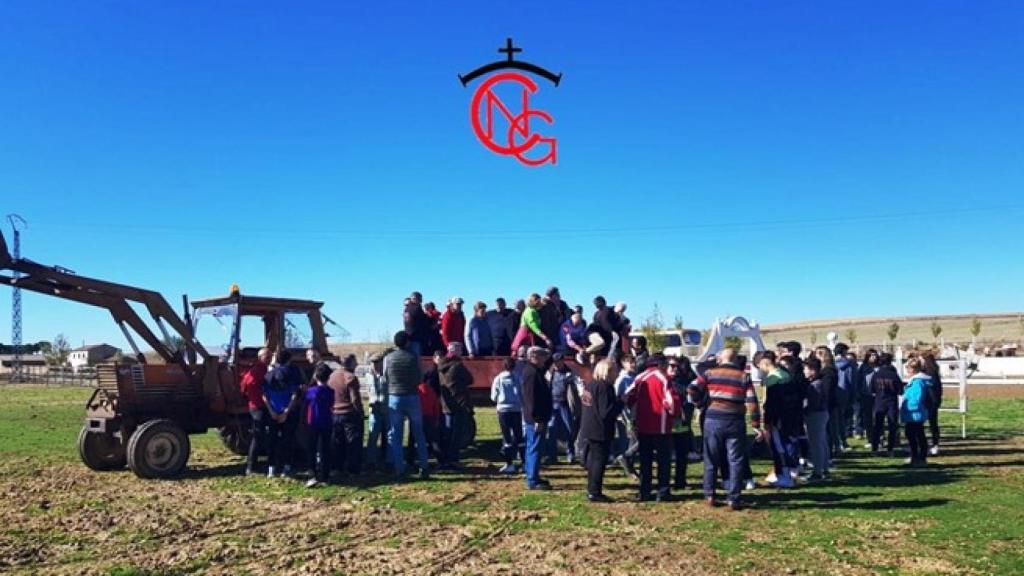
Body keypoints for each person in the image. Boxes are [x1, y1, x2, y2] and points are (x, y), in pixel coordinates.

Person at [690, 348, 763, 509]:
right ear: (735, 359)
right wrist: (756, 424)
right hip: (735, 420)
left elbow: (692, 388)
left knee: (711, 458)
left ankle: (709, 494)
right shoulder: (744, 376)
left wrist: (699, 403)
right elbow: (752, 402)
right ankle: (734, 498)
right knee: (736, 460)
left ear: (720, 359)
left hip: (713, 418)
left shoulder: (709, 373)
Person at [625, 354, 681, 502]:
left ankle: (645, 491)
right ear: (660, 364)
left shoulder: (640, 378)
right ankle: (663, 492)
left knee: (645, 460)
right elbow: (672, 401)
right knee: (663, 460)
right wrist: (675, 415)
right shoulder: (663, 378)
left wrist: (636, 412)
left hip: (643, 425)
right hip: (661, 425)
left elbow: (628, 396)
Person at [385, 331, 429, 479]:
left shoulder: (389, 358)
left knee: (396, 435)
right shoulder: (413, 357)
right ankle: (424, 467)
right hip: (411, 396)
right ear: (407, 342)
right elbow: (419, 378)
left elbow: (385, 377)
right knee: (419, 434)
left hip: (394, 397)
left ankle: (400, 468)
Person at [579, 359, 623, 503]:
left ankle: (592, 489)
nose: (617, 373)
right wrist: (621, 402)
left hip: (589, 426)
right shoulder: (605, 387)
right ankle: (595, 492)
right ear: (608, 371)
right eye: (615, 370)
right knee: (599, 460)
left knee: (593, 460)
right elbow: (606, 412)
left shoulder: (591, 385)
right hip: (600, 429)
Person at [757, 351, 796, 488]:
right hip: (787, 416)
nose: (760, 370)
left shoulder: (772, 379)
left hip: (776, 418)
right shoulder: (785, 375)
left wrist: (767, 420)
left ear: (765, 364)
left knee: (778, 447)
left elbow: (770, 402)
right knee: (784, 443)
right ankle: (787, 472)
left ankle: (784, 475)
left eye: (760, 366)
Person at [263, 350, 303, 478]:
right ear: (289, 359)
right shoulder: (291, 373)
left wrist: (271, 411)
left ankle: (271, 468)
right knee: (288, 440)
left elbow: (264, 395)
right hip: (288, 412)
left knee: (272, 440)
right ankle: (286, 467)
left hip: (273, 412)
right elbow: (294, 394)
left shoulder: (268, 375)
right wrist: (286, 411)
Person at [521, 346, 553, 490]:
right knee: (534, 447)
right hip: (535, 418)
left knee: (532, 446)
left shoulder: (535, 371)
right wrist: (538, 419)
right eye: (542, 356)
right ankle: (532, 479)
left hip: (535, 417)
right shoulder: (531, 374)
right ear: (534, 356)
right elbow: (531, 399)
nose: (545, 359)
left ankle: (533, 475)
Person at [438, 342, 474, 470]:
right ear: (456, 352)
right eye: (460, 350)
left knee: (447, 432)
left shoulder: (440, 365)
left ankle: (445, 459)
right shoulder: (458, 365)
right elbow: (470, 379)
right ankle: (454, 459)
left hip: (446, 403)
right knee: (457, 433)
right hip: (459, 403)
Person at [328, 354, 364, 477]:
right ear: (351, 364)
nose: (357, 364)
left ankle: (336, 467)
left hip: (334, 413)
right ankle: (353, 470)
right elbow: (355, 399)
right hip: (349, 414)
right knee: (352, 443)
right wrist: (360, 412)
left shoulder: (332, 376)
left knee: (336, 442)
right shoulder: (350, 378)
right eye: (355, 362)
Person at [546, 352, 581, 464]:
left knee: (569, 430)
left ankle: (570, 453)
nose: (556, 364)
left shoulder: (569, 373)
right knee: (552, 430)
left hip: (564, 404)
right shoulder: (550, 372)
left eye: (558, 361)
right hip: (552, 404)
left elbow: (578, 383)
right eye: (555, 362)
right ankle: (552, 455)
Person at [241, 347, 271, 476]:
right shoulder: (262, 371)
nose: (269, 359)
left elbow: (243, 388)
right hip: (260, 407)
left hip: (253, 406)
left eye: (270, 356)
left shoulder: (251, 371)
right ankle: (251, 467)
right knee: (258, 436)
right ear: (260, 358)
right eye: (267, 357)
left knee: (259, 436)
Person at [491, 357, 524, 474]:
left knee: (506, 438)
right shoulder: (518, 377)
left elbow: (493, 396)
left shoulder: (498, 379)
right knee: (519, 436)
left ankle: (509, 464)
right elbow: (522, 392)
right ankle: (524, 463)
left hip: (503, 410)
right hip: (516, 409)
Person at [667, 357, 696, 491]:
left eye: (676, 366)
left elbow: (691, 399)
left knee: (681, 454)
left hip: (682, 423)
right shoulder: (664, 382)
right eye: (671, 366)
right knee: (665, 455)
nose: (674, 369)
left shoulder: (684, 381)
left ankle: (680, 481)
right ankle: (664, 481)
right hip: (666, 423)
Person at [304, 363, 335, 488]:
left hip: (313, 423)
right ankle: (325, 476)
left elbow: (305, 404)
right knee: (325, 450)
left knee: (312, 449)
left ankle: (312, 475)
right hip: (327, 422)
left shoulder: (311, 392)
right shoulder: (331, 392)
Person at [802, 356, 830, 482]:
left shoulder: (816, 384)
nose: (804, 371)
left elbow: (814, 403)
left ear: (813, 370)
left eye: (806, 369)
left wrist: (804, 410)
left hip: (815, 415)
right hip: (821, 414)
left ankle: (817, 471)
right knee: (822, 442)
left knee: (816, 444)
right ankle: (824, 467)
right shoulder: (818, 383)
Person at [901, 358, 932, 467]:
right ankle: (916, 457)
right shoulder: (915, 381)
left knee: (916, 436)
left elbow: (917, 399)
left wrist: (906, 406)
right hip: (913, 413)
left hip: (915, 413)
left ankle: (919, 458)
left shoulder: (918, 382)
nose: (907, 371)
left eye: (909, 369)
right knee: (915, 435)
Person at [870, 353, 903, 456]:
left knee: (877, 426)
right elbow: (900, 390)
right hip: (891, 402)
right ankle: (890, 449)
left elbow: (872, 389)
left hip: (879, 401)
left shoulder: (876, 374)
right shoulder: (893, 374)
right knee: (892, 426)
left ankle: (875, 448)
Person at [613, 355, 640, 479]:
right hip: (627, 414)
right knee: (637, 440)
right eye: (630, 363)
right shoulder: (622, 379)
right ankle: (625, 458)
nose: (633, 365)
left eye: (634, 362)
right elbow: (617, 397)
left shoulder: (635, 377)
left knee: (634, 441)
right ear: (623, 364)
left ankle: (629, 465)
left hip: (636, 412)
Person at [816, 346, 844, 461]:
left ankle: (829, 454)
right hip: (831, 402)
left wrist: (823, 402)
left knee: (828, 430)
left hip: (828, 403)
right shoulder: (829, 370)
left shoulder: (828, 372)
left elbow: (827, 389)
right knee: (830, 429)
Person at [365, 351, 390, 470]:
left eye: (377, 363)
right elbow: (368, 391)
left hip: (386, 409)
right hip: (374, 410)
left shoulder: (387, 376)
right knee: (372, 436)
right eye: (373, 363)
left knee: (389, 436)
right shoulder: (368, 376)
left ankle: (389, 461)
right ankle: (371, 461)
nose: (375, 365)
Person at [833, 343, 857, 442]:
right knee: (843, 418)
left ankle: (836, 440)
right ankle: (843, 439)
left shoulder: (831, 364)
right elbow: (851, 380)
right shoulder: (849, 365)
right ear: (843, 351)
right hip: (845, 392)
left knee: (834, 419)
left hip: (834, 392)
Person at [921, 352, 943, 455]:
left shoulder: (929, 374)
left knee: (925, 424)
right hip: (933, 401)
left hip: (928, 401)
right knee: (933, 423)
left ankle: (932, 445)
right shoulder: (934, 373)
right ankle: (934, 444)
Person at [856, 349, 880, 439]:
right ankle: (869, 434)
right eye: (871, 355)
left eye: (875, 355)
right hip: (865, 394)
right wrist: (858, 392)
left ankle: (878, 434)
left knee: (877, 415)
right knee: (867, 416)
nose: (874, 357)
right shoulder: (863, 367)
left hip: (877, 395)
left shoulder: (879, 367)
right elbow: (858, 380)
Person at [403, 292, 432, 357]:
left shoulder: (406, 309)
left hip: (408, 337)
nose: (421, 301)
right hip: (416, 337)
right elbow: (424, 321)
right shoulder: (417, 308)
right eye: (419, 299)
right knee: (416, 359)